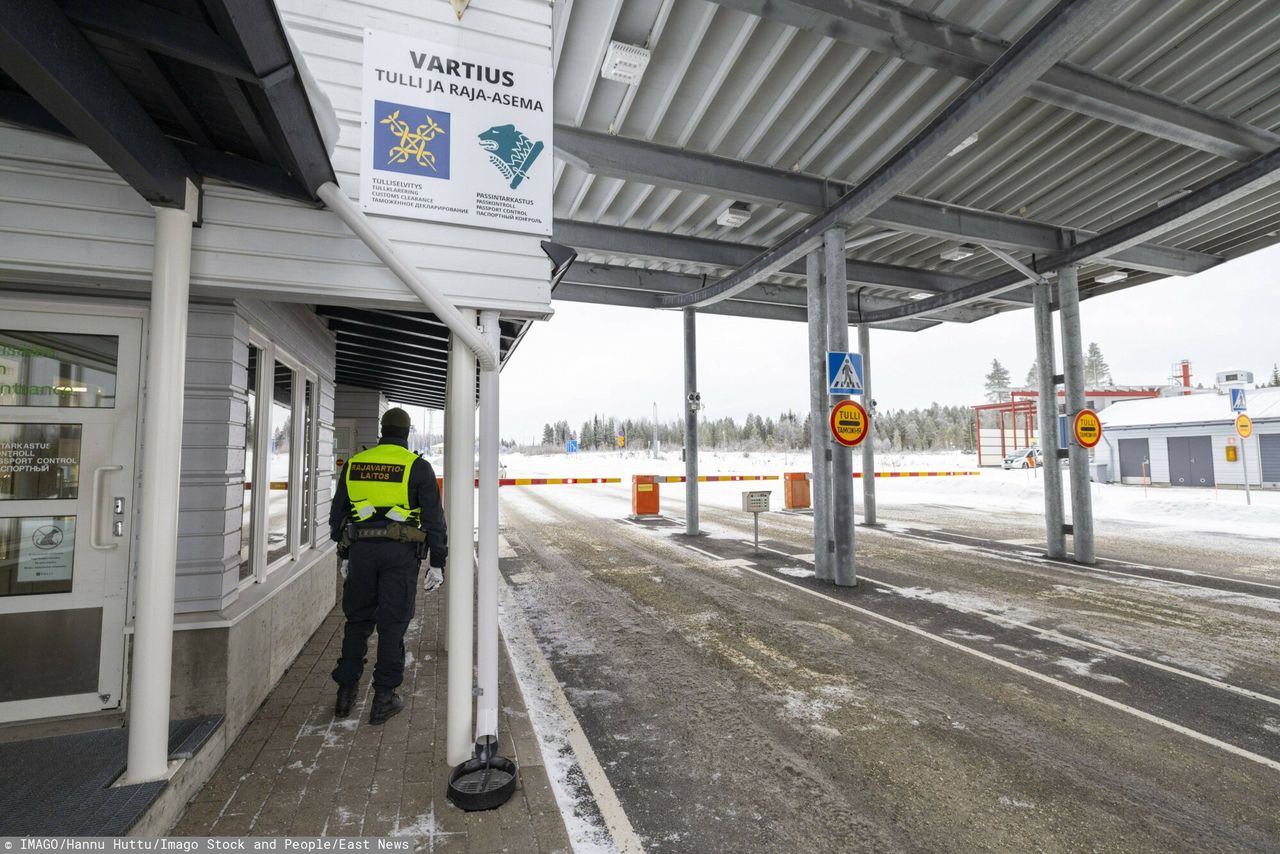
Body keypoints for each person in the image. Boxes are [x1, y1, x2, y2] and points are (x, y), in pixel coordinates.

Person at [329, 407, 447, 724]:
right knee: (392, 624)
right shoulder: (417, 467)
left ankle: (345, 693)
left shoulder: (355, 464)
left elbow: (336, 517)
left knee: (357, 621)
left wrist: (344, 555)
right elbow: (435, 521)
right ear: (407, 434)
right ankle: (383, 698)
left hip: (361, 553)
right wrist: (438, 562)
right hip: (400, 555)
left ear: (382, 430)